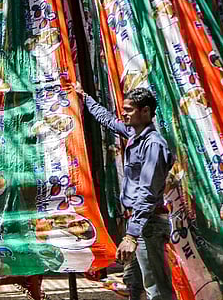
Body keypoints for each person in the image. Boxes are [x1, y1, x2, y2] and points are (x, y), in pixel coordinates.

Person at [76, 83, 175, 300]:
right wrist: (86, 99)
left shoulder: (153, 146)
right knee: (133, 284)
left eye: (129, 110)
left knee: (156, 288)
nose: (124, 113)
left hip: (148, 224)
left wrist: (132, 235)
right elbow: (110, 121)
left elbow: (148, 192)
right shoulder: (133, 134)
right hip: (139, 224)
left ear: (146, 111)